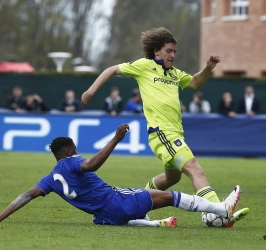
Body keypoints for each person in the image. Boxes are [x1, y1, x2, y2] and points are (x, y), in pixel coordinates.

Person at [81, 27, 248, 227]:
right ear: (156, 51)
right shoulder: (144, 66)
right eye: (169, 51)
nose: (173, 55)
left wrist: (208, 69)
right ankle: (217, 213)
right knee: (195, 168)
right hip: (161, 133)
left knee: (171, 178)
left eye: (175, 52)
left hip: (175, 133)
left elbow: (195, 83)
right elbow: (112, 70)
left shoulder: (174, 73)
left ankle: (139, 203)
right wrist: (91, 91)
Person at [0, 124, 236, 227]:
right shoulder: (73, 161)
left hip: (103, 214)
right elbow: (91, 165)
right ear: (69, 150)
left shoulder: (50, 179)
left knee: (129, 217)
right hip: (115, 200)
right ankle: (220, 210)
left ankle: (156, 224)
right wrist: (115, 140)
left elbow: (26, 195)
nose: (78, 152)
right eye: (76, 149)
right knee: (170, 196)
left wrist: (1, 216)